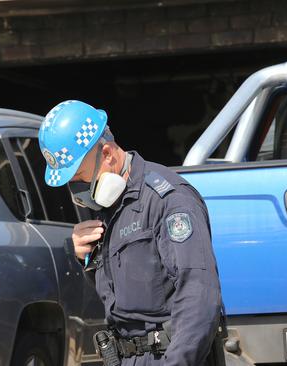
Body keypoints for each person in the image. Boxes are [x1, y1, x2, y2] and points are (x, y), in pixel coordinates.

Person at [38, 100, 225, 366]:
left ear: (107, 154)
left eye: (79, 177)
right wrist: (88, 261)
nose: (76, 189)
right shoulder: (108, 208)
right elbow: (128, 296)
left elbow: (198, 295)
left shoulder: (168, 200)